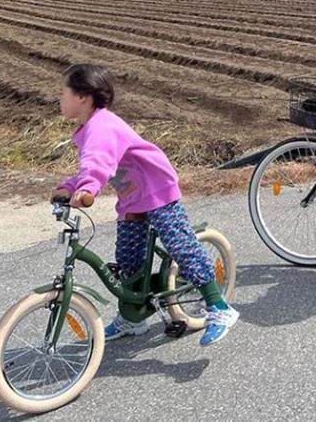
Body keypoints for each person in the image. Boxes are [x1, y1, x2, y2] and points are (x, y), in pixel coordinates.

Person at [52, 63, 239, 346]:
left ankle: (218, 306)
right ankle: (134, 318)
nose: (59, 98)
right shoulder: (90, 128)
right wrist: (69, 187)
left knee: (180, 244)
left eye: (63, 92)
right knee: (129, 257)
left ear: (83, 96)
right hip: (132, 197)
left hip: (156, 189)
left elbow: (97, 165)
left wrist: (89, 188)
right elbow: (90, 167)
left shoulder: (102, 126)